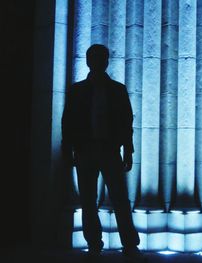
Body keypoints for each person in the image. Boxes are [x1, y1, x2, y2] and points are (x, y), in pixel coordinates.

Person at [61, 44, 144, 262]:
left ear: (106, 61)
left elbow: (127, 122)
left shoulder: (117, 89)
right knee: (90, 200)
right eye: (94, 58)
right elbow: (67, 122)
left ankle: (126, 244)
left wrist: (128, 150)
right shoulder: (78, 90)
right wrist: (68, 149)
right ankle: (96, 244)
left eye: (101, 58)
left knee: (118, 199)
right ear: (89, 61)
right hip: (87, 150)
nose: (98, 62)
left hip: (107, 150)